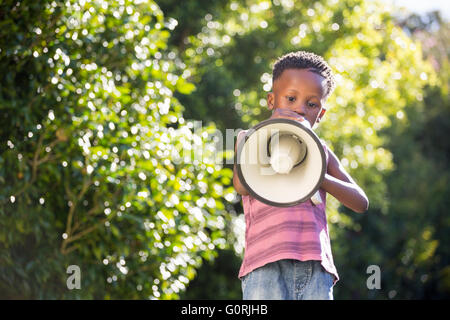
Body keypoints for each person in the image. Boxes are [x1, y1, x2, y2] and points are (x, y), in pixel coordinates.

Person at [233, 51, 369, 300]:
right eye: (291, 98)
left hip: (315, 266)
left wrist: (320, 178)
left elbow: (360, 202)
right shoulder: (249, 138)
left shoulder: (322, 153)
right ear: (272, 101)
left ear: (321, 114)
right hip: (264, 265)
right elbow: (241, 186)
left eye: (312, 104)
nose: (300, 109)